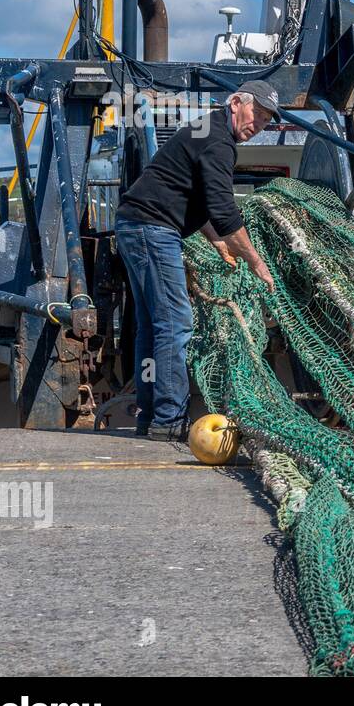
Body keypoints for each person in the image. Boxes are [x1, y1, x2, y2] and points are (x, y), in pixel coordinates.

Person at [114, 81, 278, 441]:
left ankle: (150, 413)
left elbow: (194, 195)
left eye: (266, 122)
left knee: (153, 327)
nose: (259, 125)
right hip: (152, 230)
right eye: (257, 115)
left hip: (136, 225)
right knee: (175, 323)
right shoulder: (220, 142)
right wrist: (255, 261)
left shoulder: (210, 129)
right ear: (236, 103)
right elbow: (224, 210)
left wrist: (217, 242)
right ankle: (169, 419)